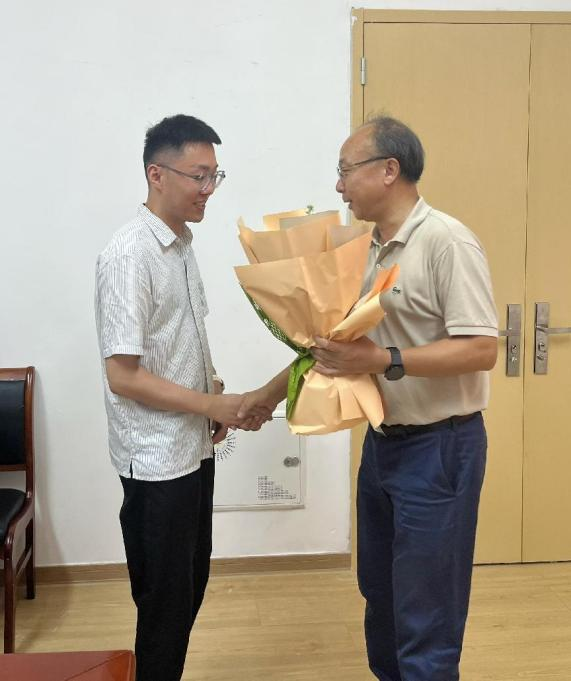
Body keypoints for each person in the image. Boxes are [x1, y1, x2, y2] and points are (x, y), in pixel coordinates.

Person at [240, 116, 498, 681]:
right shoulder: (367, 249)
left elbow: (481, 349)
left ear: (389, 170)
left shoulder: (446, 241)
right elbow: (334, 347)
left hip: (441, 448)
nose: (338, 186)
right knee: (380, 596)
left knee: (427, 610)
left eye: (345, 170)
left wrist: (386, 361)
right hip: (383, 446)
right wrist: (264, 397)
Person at [95, 114, 268, 681]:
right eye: (199, 175)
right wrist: (212, 406)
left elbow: (181, 336)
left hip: (191, 447)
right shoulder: (130, 254)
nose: (208, 188)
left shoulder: (182, 245)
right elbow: (123, 375)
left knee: (191, 582)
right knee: (164, 604)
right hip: (156, 461)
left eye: (215, 175)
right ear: (157, 174)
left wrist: (209, 386)